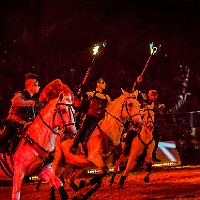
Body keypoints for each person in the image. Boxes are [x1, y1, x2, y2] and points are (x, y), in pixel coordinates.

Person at [70, 73, 111, 155]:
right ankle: (75, 144)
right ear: (98, 84)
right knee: (85, 126)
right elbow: (80, 100)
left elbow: (110, 107)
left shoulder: (107, 97)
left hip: (102, 118)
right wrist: (79, 94)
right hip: (92, 116)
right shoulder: (91, 94)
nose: (105, 84)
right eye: (103, 83)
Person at [0, 73, 40, 149]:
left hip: (23, 125)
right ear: (31, 86)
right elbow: (15, 101)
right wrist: (30, 103)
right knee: (6, 136)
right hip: (13, 124)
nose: (39, 87)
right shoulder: (21, 94)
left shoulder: (32, 100)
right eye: (37, 85)